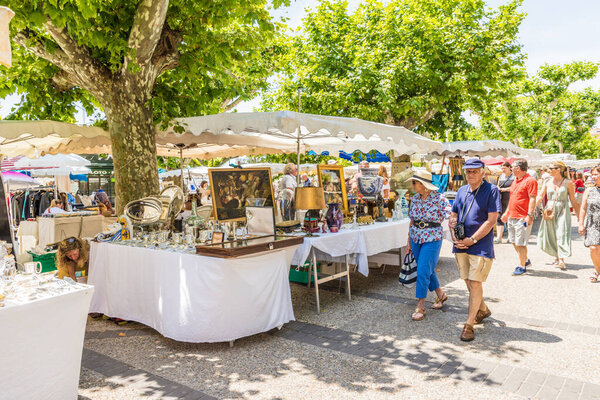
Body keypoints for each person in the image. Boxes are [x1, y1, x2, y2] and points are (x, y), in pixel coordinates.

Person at [449, 159, 501, 341]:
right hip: (461, 243)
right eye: (468, 171)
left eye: (474, 171)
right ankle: (483, 309)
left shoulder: (491, 190)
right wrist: (454, 235)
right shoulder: (462, 190)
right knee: (467, 281)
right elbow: (454, 214)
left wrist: (473, 239)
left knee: (475, 282)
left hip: (479, 244)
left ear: (483, 172)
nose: (470, 175)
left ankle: (469, 324)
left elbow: (491, 220)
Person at [405, 170, 449, 322]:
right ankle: (440, 294)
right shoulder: (414, 198)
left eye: (414, 182)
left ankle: (421, 305)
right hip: (416, 237)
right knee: (427, 269)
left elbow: (451, 215)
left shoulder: (439, 198)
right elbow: (412, 220)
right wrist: (408, 241)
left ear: (423, 185)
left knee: (423, 269)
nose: (412, 185)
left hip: (432, 237)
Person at [535, 162, 579, 270]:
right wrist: (530, 210)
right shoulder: (547, 182)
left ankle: (562, 258)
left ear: (559, 169)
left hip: (563, 209)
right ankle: (556, 256)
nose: (549, 170)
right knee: (552, 234)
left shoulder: (568, 182)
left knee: (562, 232)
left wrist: (579, 216)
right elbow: (540, 196)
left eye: (551, 168)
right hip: (549, 209)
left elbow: (573, 199)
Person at [501, 158, 538, 276]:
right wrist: (506, 213)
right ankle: (525, 260)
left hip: (522, 217)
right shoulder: (515, 180)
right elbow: (512, 198)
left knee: (521, 243)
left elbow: (532, 199)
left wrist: (529, 215)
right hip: (512, 215)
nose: (511, 169)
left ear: (518, 168)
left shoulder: (530, 180)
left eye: (512, 167)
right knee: (513, 241)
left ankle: (522, 266)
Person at [578, 165, 600, 283]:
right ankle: (597, 270)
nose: (593, 177)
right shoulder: (589, 190)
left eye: (596, 174)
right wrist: (581, 223)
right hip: (593, 223)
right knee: (593, 248)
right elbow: (583, 208)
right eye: (592, 174)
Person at [495, 161, 514, 244]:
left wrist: (504, 189)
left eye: (504, 168)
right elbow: (498, 185)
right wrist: (498, 188)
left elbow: (515, 187)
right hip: (501, 198)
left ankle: (511, 237)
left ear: (509, 167)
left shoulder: (514, 176)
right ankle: (499, 238)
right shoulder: (501, 176)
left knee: (510, 218)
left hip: (510, 198)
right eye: (502, 168)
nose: (503, 170)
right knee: (499, 217)